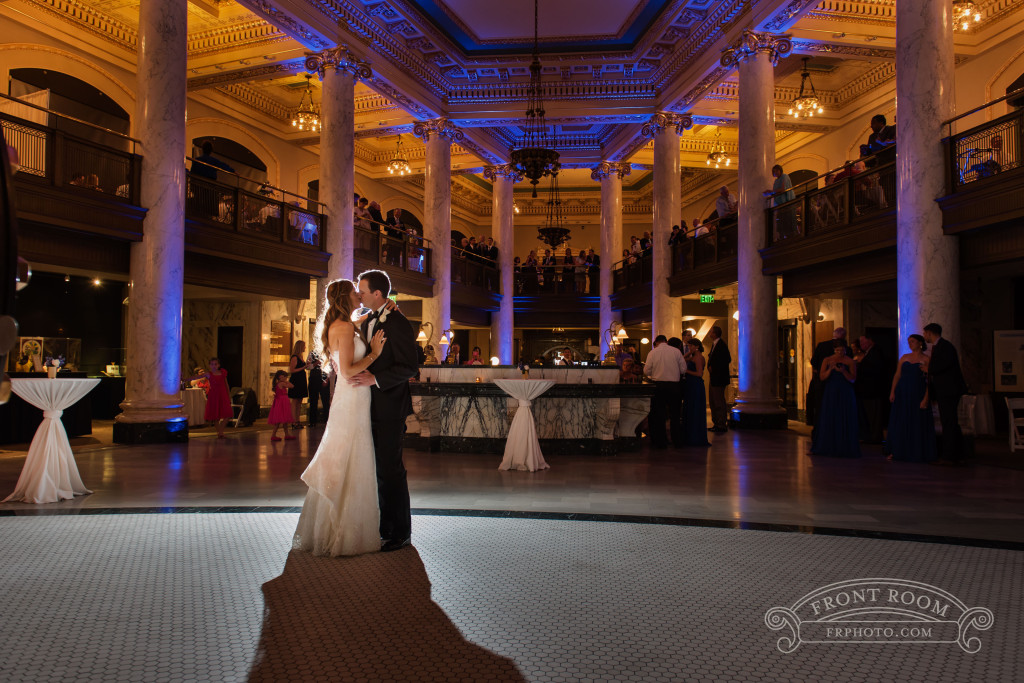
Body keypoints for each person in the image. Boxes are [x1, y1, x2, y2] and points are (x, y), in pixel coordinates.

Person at [293, 278, 388, 556]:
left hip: (353, 397)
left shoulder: (345, 324)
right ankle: (344, 532)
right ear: (345, 297)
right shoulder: (344, 328)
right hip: (353, 396)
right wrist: (374, 354)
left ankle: (344, 526)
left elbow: (361, 321)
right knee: (351, 455)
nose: (358, 294)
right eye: (354, 292)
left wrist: (384, 307)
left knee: (351, 455)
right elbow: (346, 371)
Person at [349, 269, 419, 551]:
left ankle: (400, 532)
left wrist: (375, 379)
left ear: (377, 293)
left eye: (363, 290)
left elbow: (409, 367)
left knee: (390, 470)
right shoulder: (369, 319)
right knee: (377, 469)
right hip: (368, 407)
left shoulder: (397, 322)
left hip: (390, 407)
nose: (359, 294)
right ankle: (384, 527)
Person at [886, 334, 936, 463]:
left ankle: (917, 451)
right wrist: (892, 391)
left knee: (917, 421)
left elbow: (930, 380)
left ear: (920, 343)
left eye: (912, 341)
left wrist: (926, 397)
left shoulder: (926, 359)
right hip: (903, 393)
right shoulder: (904, 357)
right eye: (909, 342)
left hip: (917, 392)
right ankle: (898, 450)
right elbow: (897, 375)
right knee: (901, 420)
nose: (910, 344)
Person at [923, 323, 968, 465]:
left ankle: (950, 456)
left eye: (925, 333)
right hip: (946, 390)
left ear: (930, 333)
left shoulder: (945, 347)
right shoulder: (940, 346)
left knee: (949, 422)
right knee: (950, 422)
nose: (924, 336)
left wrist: (928, 369)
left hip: (949, 391)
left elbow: (943, 366)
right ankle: (957, 454)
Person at [811, 340, 861, 458]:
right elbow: (822, 377)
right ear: (834, 350)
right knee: (830, 416)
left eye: (842, 350)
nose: (840, 352)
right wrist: (830, 369)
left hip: (845, 392)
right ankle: (827, 445)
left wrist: (843, 371)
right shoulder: (827, 360)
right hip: (831, 392)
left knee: (844, 416)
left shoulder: (850, 361)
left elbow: (853, 379)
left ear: (845, 350)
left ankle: (845, 446)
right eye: (837, 350)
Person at [643, 335, 687, 449]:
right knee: (675, 415)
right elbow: (683, 369)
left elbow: (646, 371)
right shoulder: (676, 351)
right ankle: (677, 441)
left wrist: (654, 373)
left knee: (659, 415)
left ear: (656, 342)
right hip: (674, 386)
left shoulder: (652, 352)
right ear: (666, 341)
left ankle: (661, 442)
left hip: (658, 386)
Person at [808, 327, 849, 429]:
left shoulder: (822, 345)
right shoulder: (846, 350)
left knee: (821, 407)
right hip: (837, 383)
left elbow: (813, 362)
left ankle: (819, 429)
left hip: (822, 382)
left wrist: (819, 371)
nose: (839, 352)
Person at [185, 358, 231, 438]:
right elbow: (195, 377)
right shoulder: (208, 374)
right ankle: (220, 433)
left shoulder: (222, 373)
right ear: (210, 365)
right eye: (212, 364)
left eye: (215, 364)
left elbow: (226, 385)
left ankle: (220, 431)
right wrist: (184, 379)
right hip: (214, 396)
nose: (214, 366)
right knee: (215, 416)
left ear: (218, 365)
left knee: (228, 414)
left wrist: (229, 396)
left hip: (223, 395)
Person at [855, 335, 888, 444]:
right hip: (869, 390)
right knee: (870, 414)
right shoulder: (869, 352)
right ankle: (870, 435)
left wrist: (859, 365)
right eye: (860, 343)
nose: (861, 345)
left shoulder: (875, 352)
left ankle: (874, 437)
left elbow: (874, 370)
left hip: (873, 390)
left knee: (874, 415)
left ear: (870, 341)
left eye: (863, 342)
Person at [682, 338, 711, 447]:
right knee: (690, 409)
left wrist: (686, 371)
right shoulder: (693, 356)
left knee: (695, 409)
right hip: (691, 384)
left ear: (697, 346)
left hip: (695, 384)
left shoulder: (698, 357)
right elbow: (682, 359)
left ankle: (695, 437)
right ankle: (690, 436)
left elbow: (699, 374)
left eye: (691, 346)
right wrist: (689, 352)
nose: (689, 348)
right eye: (689, 346)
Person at [705, 325, 732, 433]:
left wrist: (714, 368)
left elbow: (726, 359)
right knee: (713, 401)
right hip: (714, 377)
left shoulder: (721, 345)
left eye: (711, 332)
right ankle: (716, 423)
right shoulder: (715, 344)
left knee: (718, 401)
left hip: (719, 378)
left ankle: (721, 424)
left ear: (715, 334)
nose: (709, 333)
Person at [288, 340, 313, 430]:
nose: (305, 347)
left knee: (299, 401)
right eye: (304, 346)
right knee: (295, 401)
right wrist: (303, 367)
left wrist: (307, 365)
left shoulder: (301, 356)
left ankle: (298, 420)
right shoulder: (294, 357)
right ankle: (293, 421)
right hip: (296, 380)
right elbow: (292, 370)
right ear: (300, 347)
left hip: (301, 380)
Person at [268, 371, 297, 442]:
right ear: (279, 377)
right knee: (279, 420)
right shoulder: (281, 383)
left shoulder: (278, 383)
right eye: (283, 376)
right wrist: (286, 381)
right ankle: (273, 435)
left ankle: (286, 434)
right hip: (282, 403)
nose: (285, 378)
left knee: (284, 420)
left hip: (281, 402)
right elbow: (292, 386)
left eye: (285, 377)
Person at [306, 352, 330, 427]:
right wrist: (316, 363)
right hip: (314, 379)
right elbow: (308, 367)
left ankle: (327, 420)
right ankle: (312, 421)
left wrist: (327, 379)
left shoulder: (327, 352)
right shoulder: (312, 354)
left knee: (325, 401)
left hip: (324, 379)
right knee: (313, 401)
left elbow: (331, 366)